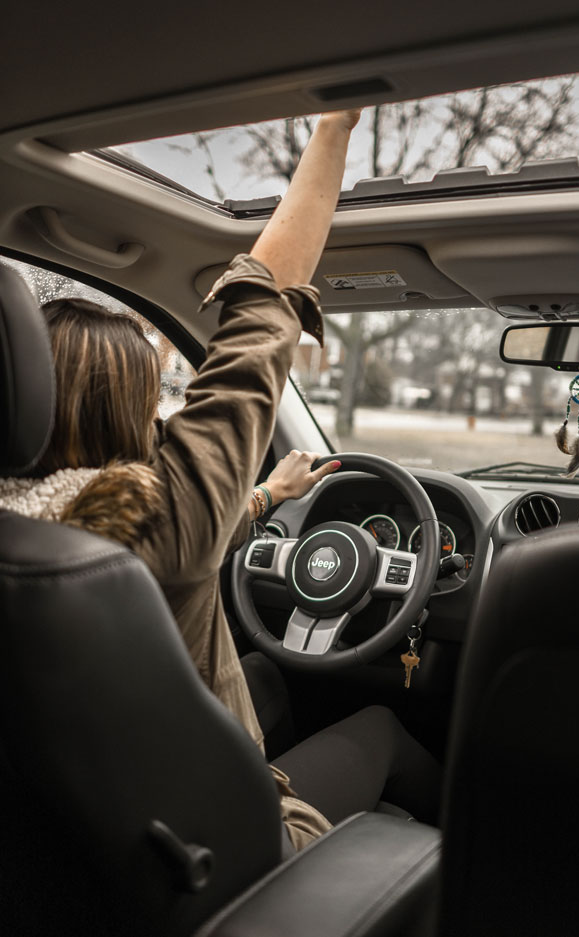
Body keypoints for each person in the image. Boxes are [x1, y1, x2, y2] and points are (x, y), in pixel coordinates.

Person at [0, 109, 441, 852]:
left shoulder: (31, 542)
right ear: (131, 415)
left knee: (267, 677)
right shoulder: (155, 522)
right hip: (232, 854)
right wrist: (334, 127)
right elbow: (263, 315)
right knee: (383, 727)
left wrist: (267, 496)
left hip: (79, 845)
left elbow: (207, 527)